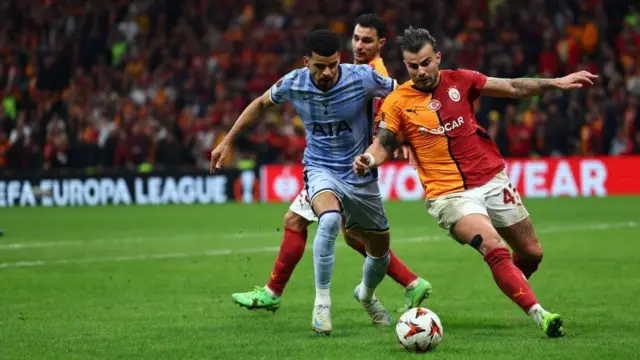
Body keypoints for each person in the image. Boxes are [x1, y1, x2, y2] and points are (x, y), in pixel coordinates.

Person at [353, 26, 597, 338]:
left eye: (426, 62)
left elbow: (511, 87)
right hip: (448, 194)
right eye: (413, 66)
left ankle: (513, 283)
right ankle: (541, 314)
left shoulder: (462, 80)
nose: (420, 71)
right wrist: (369, 159)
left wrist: (556, 83)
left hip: (492, 180)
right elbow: (383, 143)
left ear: (437, 57)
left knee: (532, 253)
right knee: (494, 247)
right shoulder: (398, 101)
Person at [229, 14, 431, 316]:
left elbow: (398, 107)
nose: (359, 45)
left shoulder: (369, 73)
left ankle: (401, 284)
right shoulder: (341, 70)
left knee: (319, 226)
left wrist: (399, 140)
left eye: (366, 40)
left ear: (380, 43)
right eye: (356, 38)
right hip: (327, 166)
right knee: (319, 226)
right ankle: (403, 284)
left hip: (351, 167)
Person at [211, 29, 399, 336]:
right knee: (328, 219)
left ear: (339, 60)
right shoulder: (294, 82)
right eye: (319, 66)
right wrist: (227, 141)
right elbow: (260, 104)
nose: (326, 72)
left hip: (360, 174)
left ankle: (365, 293)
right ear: (306, 62)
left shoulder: (362, 77)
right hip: (320, 168)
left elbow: (403, 95)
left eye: (332, 65)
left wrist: (394, 133)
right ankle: (322, 303)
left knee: (379, 254)